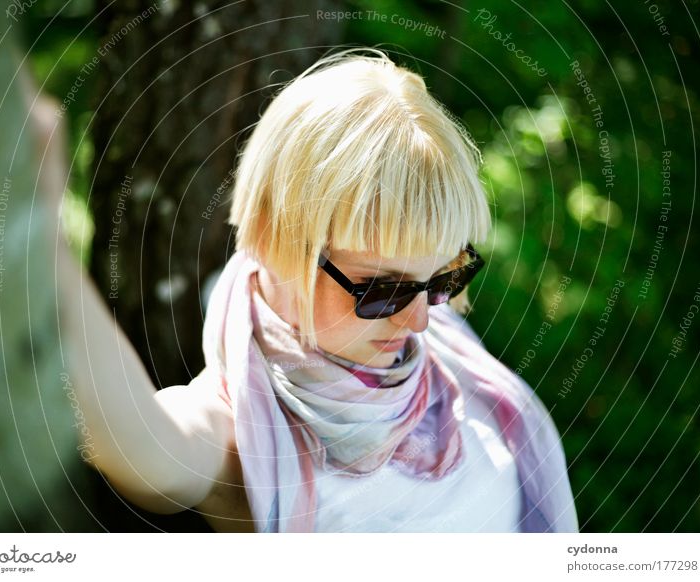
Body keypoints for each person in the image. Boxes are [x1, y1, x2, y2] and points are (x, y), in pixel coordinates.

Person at [59, 48, 578, 533]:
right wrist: (36, 254)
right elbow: (143, 447)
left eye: (446, 276)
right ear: (271, 238)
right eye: (382, 289)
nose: (419, 320)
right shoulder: (246, 431)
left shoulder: (440, 345)